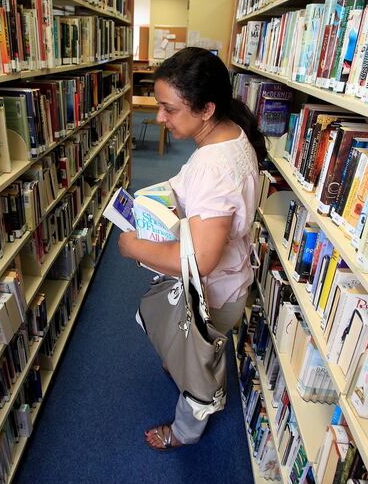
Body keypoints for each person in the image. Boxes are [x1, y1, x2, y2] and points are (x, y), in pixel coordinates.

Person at [118, 47, 264, 450]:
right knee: (197, 353)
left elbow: (200, 260)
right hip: (229, 282)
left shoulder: (215, 167)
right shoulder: (226, 134)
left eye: (169, 108)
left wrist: (135, 248)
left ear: (205, 108)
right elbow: (189, 188)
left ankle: (184, 430)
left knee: (200, 366)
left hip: (214, 294)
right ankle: (189, 368)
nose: (159, 117)